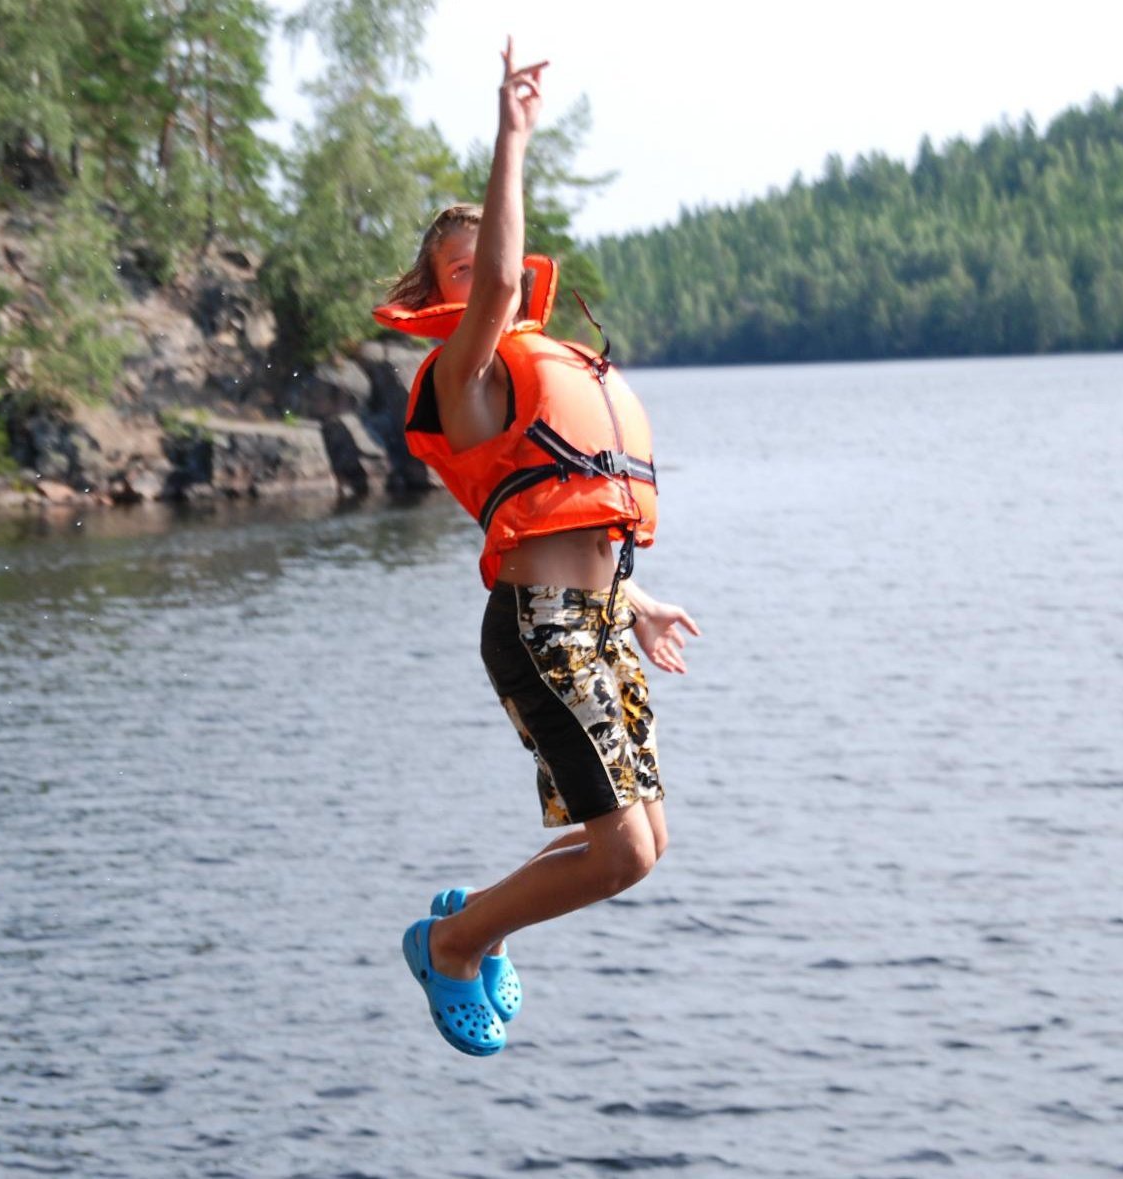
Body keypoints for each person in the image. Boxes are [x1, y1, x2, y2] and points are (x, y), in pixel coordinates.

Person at [375, 39, 701, 1057]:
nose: (486, 282)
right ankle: (454, 942)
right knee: (618, 855)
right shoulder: (466, 370)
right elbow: (499, 283)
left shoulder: (533, 370)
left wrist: (637, 603)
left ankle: (476, 919)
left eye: (488, 262)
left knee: (643, 847)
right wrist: (512, 136)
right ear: (444, 298)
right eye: (464, 274)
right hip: (540, 631)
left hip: (593, 621)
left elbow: (568, 504)